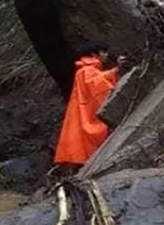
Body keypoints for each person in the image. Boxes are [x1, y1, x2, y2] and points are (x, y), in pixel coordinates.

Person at [53, 41, 125, 171]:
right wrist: (116, 69)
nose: (106, 55)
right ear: (94, 54)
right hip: (87, 113)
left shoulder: (86, 70)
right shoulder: (86, 71)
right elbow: (97, 85)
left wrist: (116, 69)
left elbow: (98, 80)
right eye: (104, 52)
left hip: (84, 112)